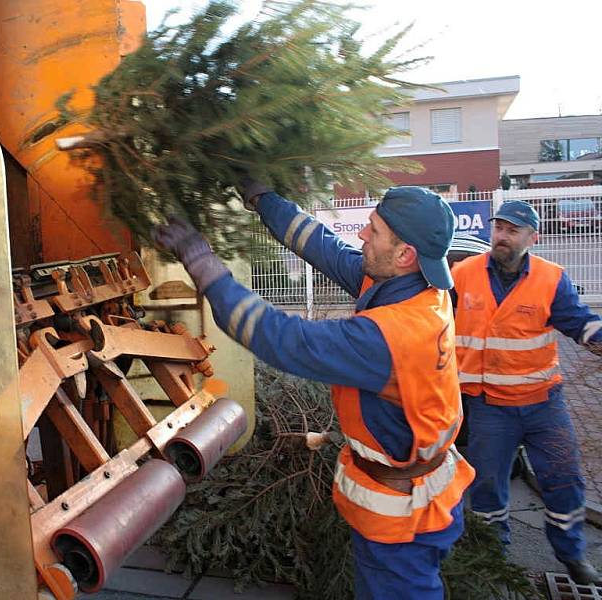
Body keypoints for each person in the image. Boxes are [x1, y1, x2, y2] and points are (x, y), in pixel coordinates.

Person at [155, 185, 474, 599]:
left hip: (404, 518)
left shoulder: (390, 337)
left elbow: (282, 339)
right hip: (429, 490)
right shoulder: (421, 291)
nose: (362, 236)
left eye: (373, 231)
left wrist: (201, 263)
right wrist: (260, 196)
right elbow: (324, 246)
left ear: (404, 254)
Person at [451, 200, 602, 585]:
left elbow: (579, 322)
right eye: (498, 228)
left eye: (511, 230)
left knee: (564, 480)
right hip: (488, 407)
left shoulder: (551, 278)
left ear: (532, 238)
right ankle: (493, 559)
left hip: (543, 405)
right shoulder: (463, 274)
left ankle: (573, 557)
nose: (501, 236)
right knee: (486, 486)